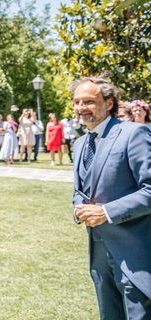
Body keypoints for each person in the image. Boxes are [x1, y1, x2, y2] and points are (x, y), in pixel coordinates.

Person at [72, 77, 151, 320]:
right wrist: (78, 208)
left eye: (89, 101)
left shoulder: (134, 133)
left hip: (133, 253)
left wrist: (106, 212)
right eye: (77, 102)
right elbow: (80, 190)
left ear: (109, 103)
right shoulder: (79, 144)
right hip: (98, 256)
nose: (81, 107)